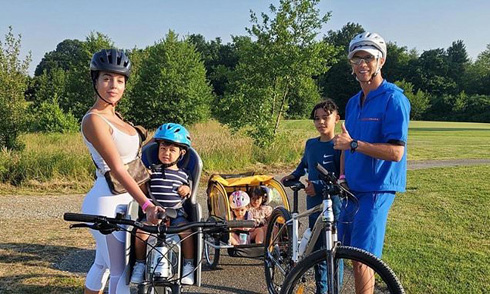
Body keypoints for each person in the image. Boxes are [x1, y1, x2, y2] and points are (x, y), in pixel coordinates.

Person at [81, 49, 164, 294]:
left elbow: (131, 158)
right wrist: (148, 206)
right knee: (121, 272)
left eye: (119, 80)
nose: (113, 85)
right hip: (107, 203)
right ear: (95, 81)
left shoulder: (117, 117)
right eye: (106, 78)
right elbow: (117, 168)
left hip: (124, 201)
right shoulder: (94, 119)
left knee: (102, 264)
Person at [333, 32, 411, 293]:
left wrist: (355, 145)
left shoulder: (394, 99)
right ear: (351, 64)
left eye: (369, 57)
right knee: (342, 251)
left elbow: (396, 152)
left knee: (362, 259)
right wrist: (342, 178)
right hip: (352, 188)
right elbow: (346, 142)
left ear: (381, 61)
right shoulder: (354, 102)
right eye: (357, 58)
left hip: (377, 189)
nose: (362, 64)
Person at [281, 99, 342, 293]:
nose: (321, 122)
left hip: (335, 206)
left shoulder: (340, 145)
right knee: (317, 252)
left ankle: (334, 290)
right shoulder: (311, 144)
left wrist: (317, 184)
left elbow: (340, 178)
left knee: (334, 252)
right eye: (317, 119)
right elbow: (305, 164)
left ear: (337, 119)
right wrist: (294, 175)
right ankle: (321, 289)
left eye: (326, 117)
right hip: (315, 206)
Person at [130, 123, 196, 285]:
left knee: (187, 232)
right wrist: (144, 178)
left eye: (172, 150)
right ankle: (140, 264)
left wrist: (186, 189)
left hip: (176, 215)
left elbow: (190, 193)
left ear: (182, 153)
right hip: (154, 214)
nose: (166, 153)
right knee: (140, 233)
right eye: (163, 149)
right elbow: (144, 193)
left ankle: (188, 264)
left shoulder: (183, 174)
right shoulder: (152, 171)